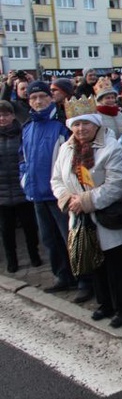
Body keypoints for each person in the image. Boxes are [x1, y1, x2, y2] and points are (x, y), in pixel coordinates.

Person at [51, 95, 122, 328]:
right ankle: (105, 304)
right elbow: (57, 179)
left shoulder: (110, 147)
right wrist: (67, 199)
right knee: (94, 263)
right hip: (81, 218)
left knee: (117, 267)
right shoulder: (65, 148)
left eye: (86, 123)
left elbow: (116, 186)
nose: (81, 129)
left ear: (96, 123)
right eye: (76, 124)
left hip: (108, 217)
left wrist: (85, 201)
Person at [19, 81, 84, 297]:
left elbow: (75, 160)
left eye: (42, 97)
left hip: (61, 195)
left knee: (70, 238)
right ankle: (62, 276)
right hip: (36, 194)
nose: (38, 101)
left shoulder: (61, 125)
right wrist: (24, 179)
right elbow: (23, 159)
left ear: (50, 97)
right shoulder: (27, 127)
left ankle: (83, 280)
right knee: (49, 239)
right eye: (33, 98)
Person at [0, 100, 42, 273]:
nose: (2, 118)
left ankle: (34, 255)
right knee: (6, 230)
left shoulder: (23, 133)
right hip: (2, 190)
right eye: (0, 115)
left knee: (30, 227)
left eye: (6, 114)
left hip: (21, 188)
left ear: (12, 115)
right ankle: (12, 260)